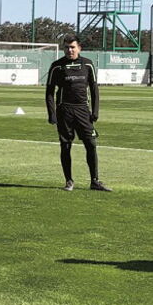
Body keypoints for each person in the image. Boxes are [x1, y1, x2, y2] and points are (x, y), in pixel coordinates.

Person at [45, 36, 112, 192]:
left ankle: (95, 181)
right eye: (67, 47)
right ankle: (69, 181)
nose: (70, 50)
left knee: (91, 144)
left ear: (79, 48)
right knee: (66, 146)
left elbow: (94, 89)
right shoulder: (57, 66)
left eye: (73, 47)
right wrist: (52, 113)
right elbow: (49, 92)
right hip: (64, 111)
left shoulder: (87, 64)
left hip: (83, 110)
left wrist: (95, 111)